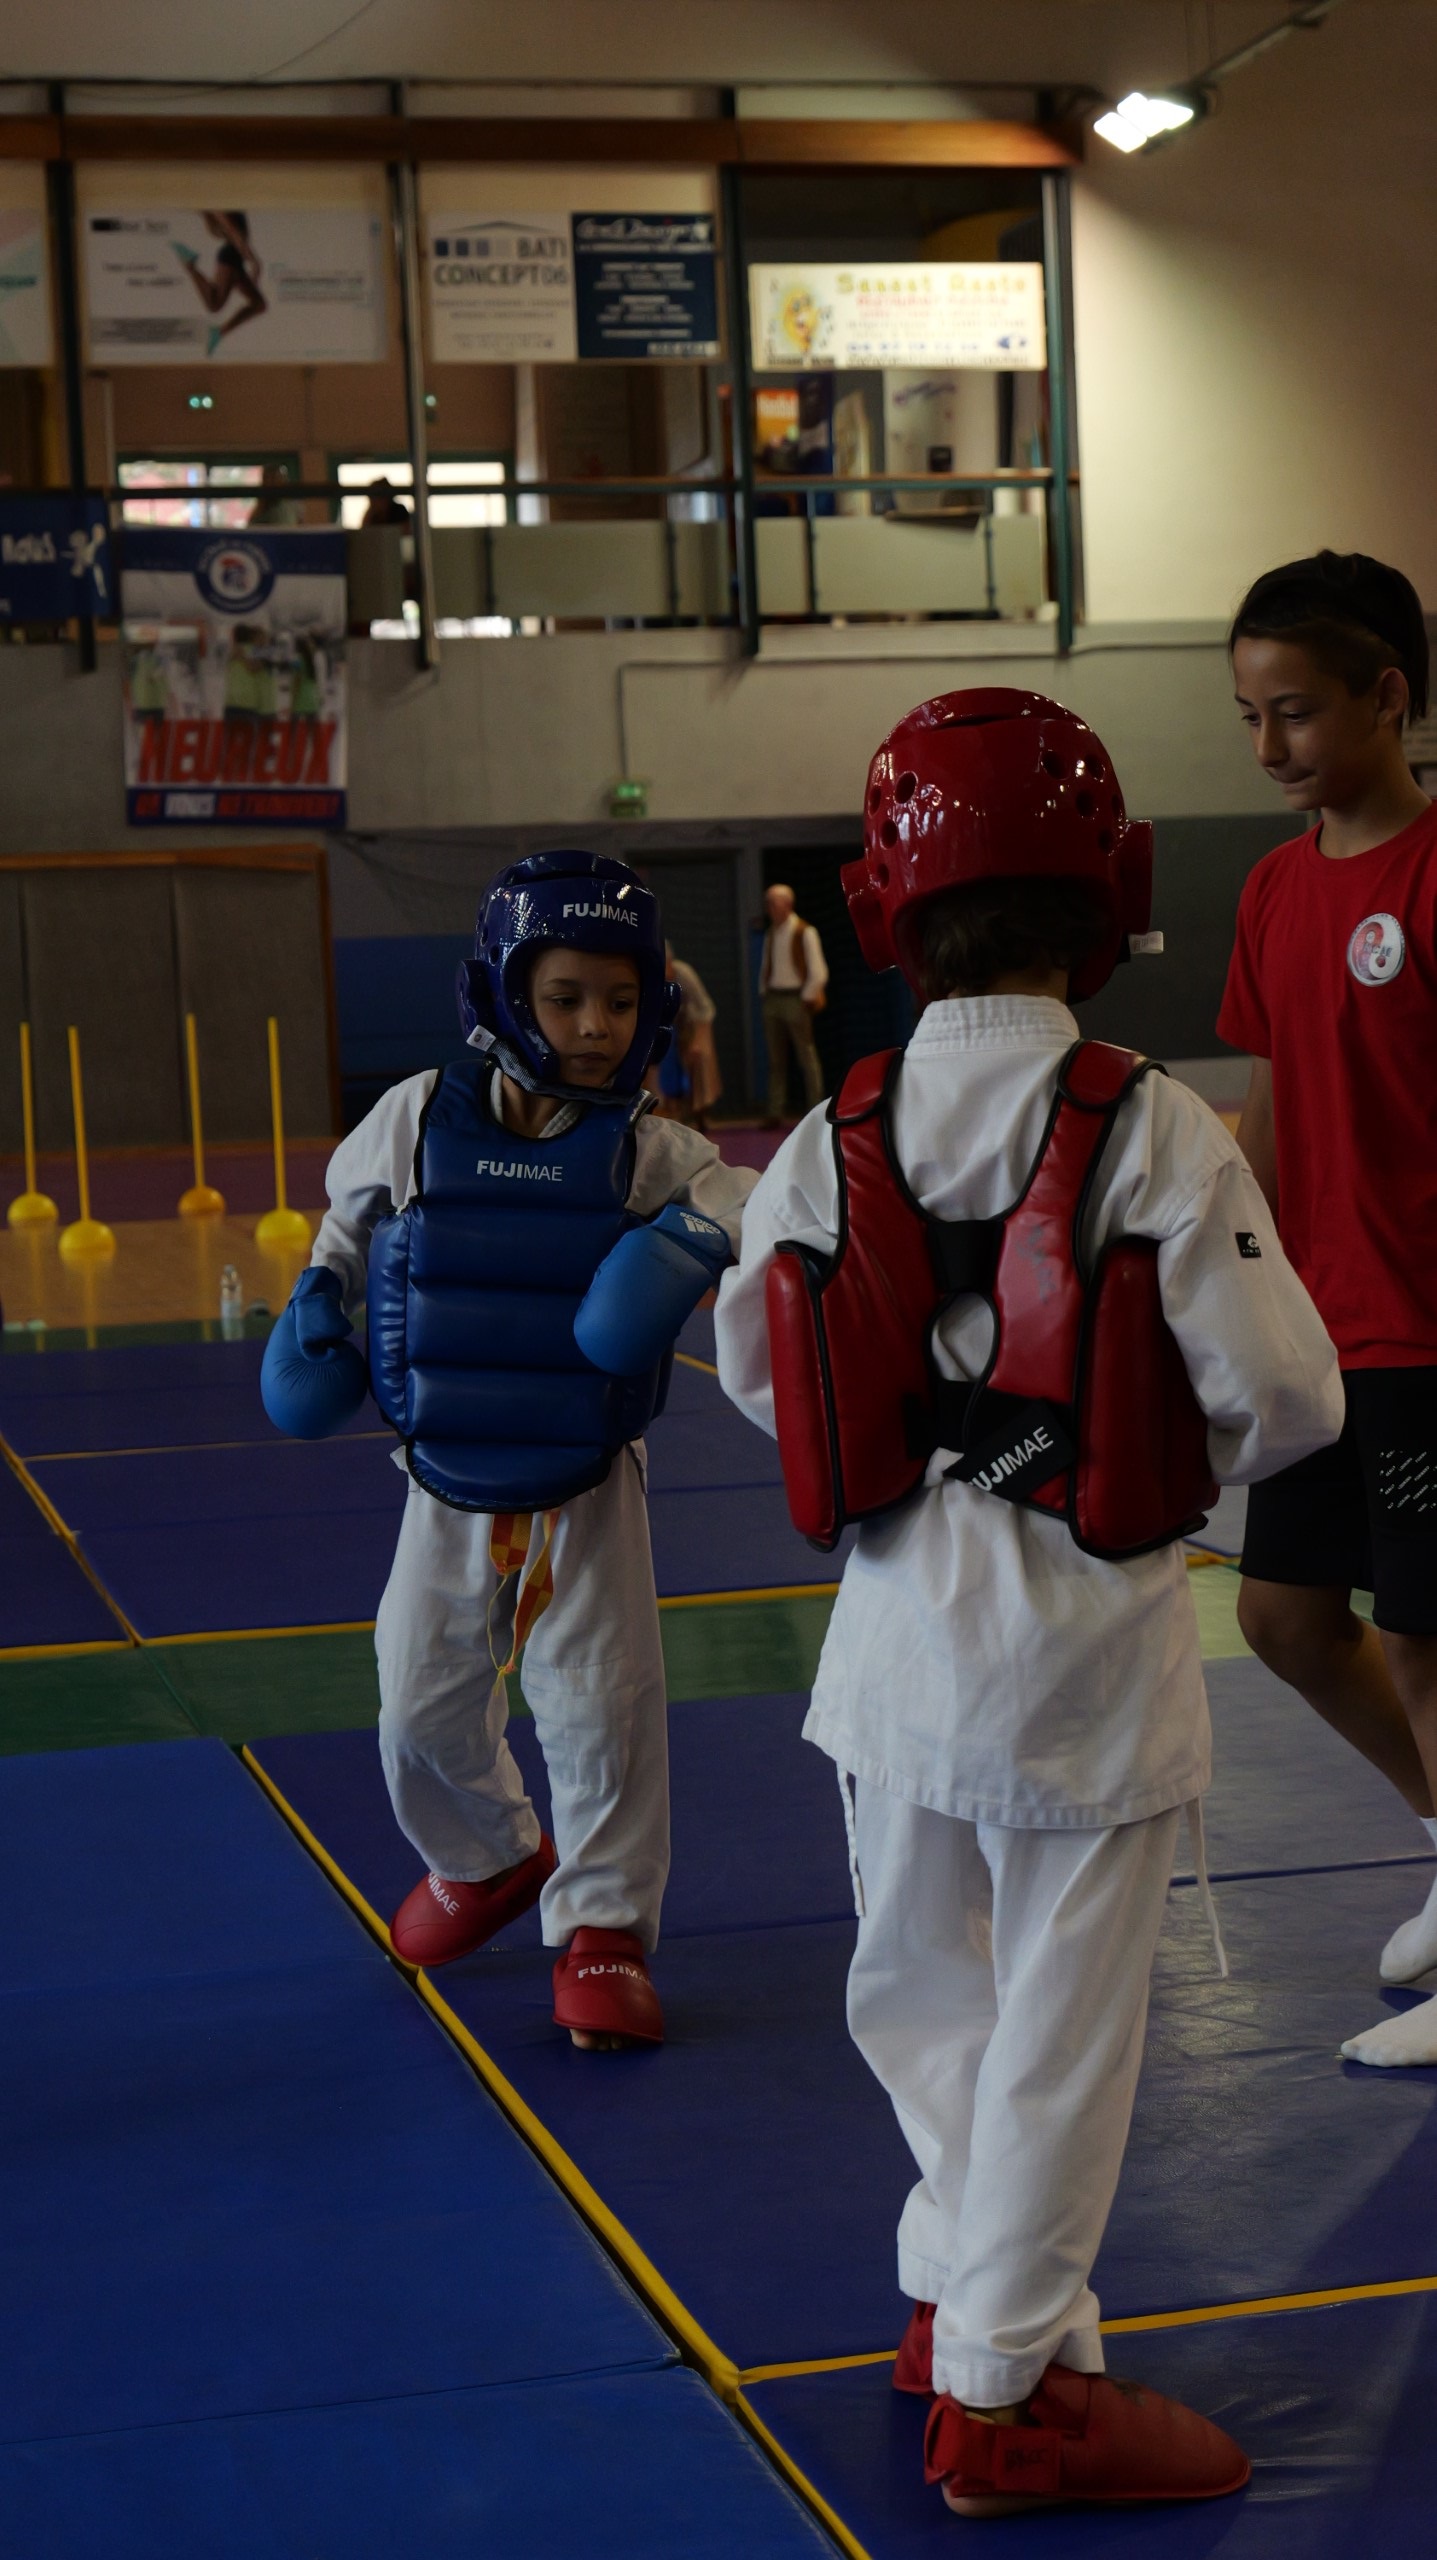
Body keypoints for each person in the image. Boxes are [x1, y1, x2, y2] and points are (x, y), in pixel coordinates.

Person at [715, 689, 1341, 2519]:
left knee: (918, 1990)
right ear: (1114, 892)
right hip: (1083, 1663)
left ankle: (958, 2297)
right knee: (1062, 2027)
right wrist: (1113, 1441)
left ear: (878, 907)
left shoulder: (827, 1131)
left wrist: (935, 1439)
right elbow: (1288, 1398)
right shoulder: (1152, 1126)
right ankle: (1008, 2398)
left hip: (891, 1654)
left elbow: (762, 1375)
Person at [261, 853, 755, 2049]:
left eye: (621, 1001)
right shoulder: (416, 1115)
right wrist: (316, 1302)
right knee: (414, 1698)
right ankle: (486, 1855)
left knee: (600, 1704)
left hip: (589, 1478)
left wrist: (690, 1240)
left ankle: (603, 1928)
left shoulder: (648, 1148)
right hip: (444, 1471)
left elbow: (751, 1195)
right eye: (566, 997)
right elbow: (348, 1223)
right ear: (506, 995)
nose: (594, 1027)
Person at [1219, 550, 1437, 2069]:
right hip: (1318, 1336)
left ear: (1386, 696)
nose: (1267, 747)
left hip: (1428, 1333)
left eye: (1292, 712)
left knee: (1424, 1637)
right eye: (1249, 716)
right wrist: (1230, 1289)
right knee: (1287, 1619)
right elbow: (1269, 1106)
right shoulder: (1274, 889)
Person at [760, 882, 828, 1124]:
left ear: (788, 904)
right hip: (774, 998)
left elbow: (818, 970)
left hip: (796, 998)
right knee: (775, 1060)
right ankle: (775, 1111)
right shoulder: (771, 933)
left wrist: (806, 997)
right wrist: (764, 991)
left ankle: (815, 1109)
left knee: (806, 1056)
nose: (769, 908)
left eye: (773, 903)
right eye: (768, 903)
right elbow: (766, 965)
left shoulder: (804, 931)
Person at [173, 212, 267, 360]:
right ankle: (190, 265)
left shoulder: (225, 209)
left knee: (259, 304)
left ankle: (218, 333)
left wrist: (251, 259)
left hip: (235, 258)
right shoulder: (220, 210)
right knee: (214, 304)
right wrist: (254, 261)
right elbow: (233, 232)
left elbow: (232, 232)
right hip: (231, 258)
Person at [658, 942, 723, 1130]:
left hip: (698, 1021)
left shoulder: (684, 973)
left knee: (700, 1060)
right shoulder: (654, 978)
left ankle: (701, 1115)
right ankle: (676, 1112)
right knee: (671, 1067)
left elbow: (704, 1008)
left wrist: (696, 1040)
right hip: (674, 1026)